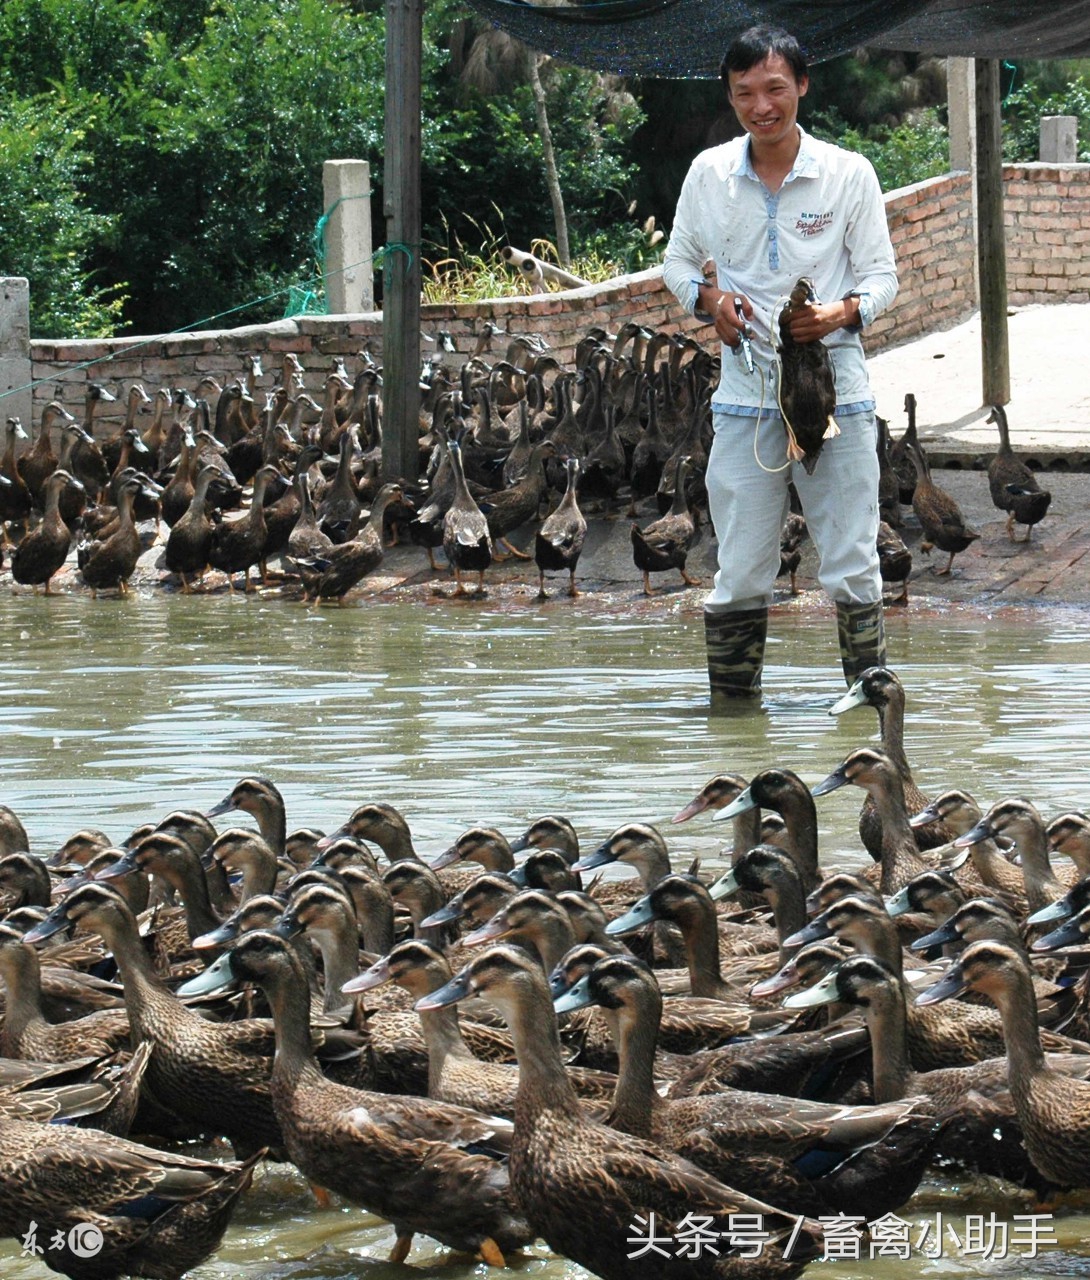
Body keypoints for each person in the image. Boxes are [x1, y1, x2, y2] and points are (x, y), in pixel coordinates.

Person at [661, 25, 898, 705]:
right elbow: (677, 263)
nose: (761, 106)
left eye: (774, 88)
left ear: (801, 85)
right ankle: (734, 719)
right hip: (743, 401)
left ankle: (875, 716)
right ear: (731, 97)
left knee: (852, 565)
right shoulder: (709, 174)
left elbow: (883, 277)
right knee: (738, 571)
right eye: (745, 93)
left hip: (836, 398)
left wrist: (838, 313)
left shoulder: (848, 173)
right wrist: (712, 302)